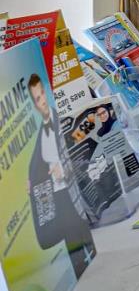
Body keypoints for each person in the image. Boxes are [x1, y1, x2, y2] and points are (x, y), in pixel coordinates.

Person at [27, 74, 95, 277]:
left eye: (42, 94)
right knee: (73, 250)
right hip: (58, 197)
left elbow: (83, 153)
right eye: (37, 98)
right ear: (35, 104)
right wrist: (31, 180)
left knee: (85, 237)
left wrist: (64, 170)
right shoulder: (41, 133)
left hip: (74, 191)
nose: (42, 101)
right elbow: (37, 163)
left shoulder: (64, 121)